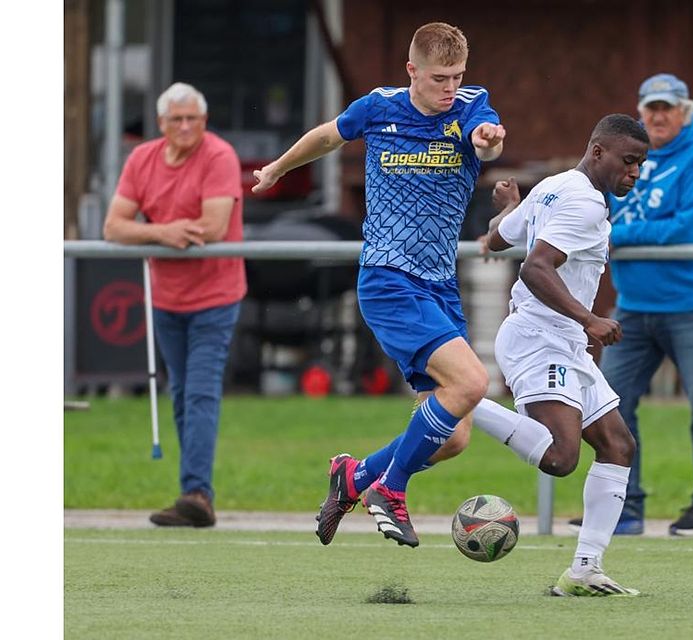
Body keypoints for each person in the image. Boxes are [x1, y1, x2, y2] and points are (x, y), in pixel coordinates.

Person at [252, 22, 506, 548]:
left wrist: (488, 141)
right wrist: (277, 168)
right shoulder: (379, 107)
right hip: (388, 279)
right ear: (411, 71)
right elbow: (327, 135)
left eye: (457, 77)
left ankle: (356, 477)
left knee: (454, 435)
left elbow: (487, 139)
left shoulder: (471, 106)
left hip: (438, 287)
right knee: (473, 383)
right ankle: (391, 490)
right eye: (439, 78)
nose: (450, 89)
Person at [471, 114, 649, 597]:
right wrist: (589, 320)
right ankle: (456, 401)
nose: (634, 172)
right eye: (628, 161)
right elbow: (534, 268)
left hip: (562, 342)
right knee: (559, 457)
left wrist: (513, 209)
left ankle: (584, 571)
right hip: (538, 338)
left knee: (618, 446)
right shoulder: (585, 204)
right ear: (597, 152)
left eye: (640, 164)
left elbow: (494, 239)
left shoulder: (552, 188)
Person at [571, 72, 693, 536]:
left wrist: (617, 235)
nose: (659, 116)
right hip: (634, 305)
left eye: (668, 107)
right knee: (608, 405)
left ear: (686, 112)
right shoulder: (625, 157)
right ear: (640, 114)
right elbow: (599, 209)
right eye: (651, 108)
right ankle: (625, 505)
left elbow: (687, 226)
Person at [103, 82, 246, 528]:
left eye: (193, 119)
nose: (185, 127)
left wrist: (151, 229)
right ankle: (193, 492)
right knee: (181, 395)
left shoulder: (219, 155)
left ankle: (198, 494)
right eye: (176, 119)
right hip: (164, 295)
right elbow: (113, 226)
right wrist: (163, 233)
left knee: (201, 391)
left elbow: (215, 226)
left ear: (204, 122)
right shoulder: (142, 158)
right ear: (161, 124)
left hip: (215, 296)